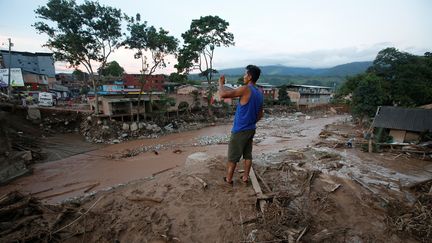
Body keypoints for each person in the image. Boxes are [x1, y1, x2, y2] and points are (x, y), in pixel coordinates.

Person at [218, 64, 264, 186]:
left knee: (233, 157)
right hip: (251, 129)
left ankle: (228, 179)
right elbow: (261, 114)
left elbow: (223, 95)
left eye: (245, 74)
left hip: (240, 130)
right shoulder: (259, 92)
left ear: (249, 76)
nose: (244, 77)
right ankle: (245, 177)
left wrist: (221, 83)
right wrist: (251, 122)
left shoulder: (245, 89)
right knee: (247, 155)